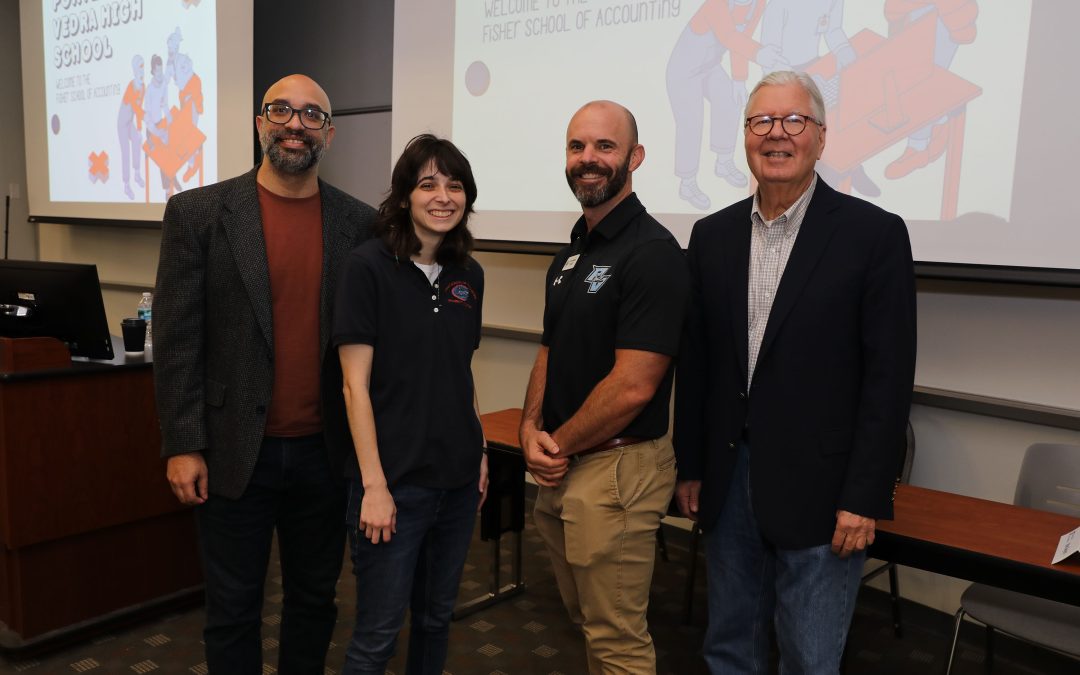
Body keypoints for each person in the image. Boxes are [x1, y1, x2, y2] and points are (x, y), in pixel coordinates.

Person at [673, 71, 916, 673]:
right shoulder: (711, 236)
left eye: (794, 121)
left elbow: (888, 381)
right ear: (746, 136)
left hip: (824, 493)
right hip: (729, 484)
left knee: (809, 658)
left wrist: (864, 497)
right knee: (729, 647)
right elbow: (699, 364)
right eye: (761, 122)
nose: (776, 135)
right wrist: (693, 467)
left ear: (821, 138)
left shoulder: (873, 235)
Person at [154, 74, 376, 674]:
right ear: (259, 124)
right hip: (230, 453)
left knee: (314, 602)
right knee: (232, 610)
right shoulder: (198, 214)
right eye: (281, 110)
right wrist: (184, 444)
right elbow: (177, 341)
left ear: (329, 133)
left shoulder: (360, 224)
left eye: (311, 115)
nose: (295, 124)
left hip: (323, 457)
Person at [521, 100, 689, 674]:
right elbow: (551, 349)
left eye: (605, 147)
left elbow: (634, 388)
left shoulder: (654, 254)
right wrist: (528, 429)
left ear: (635, 157)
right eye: (577, 147)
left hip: (617, 471)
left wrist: (555, 444)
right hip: (564, 463)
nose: (588, 159)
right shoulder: (572, 251)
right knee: (590, 623)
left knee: (617, 640)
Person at [333, 133, 488, 674]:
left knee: (435, 621)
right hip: (393, 484)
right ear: (404, 197)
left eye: (455, 185)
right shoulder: (367, 267)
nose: (443, 196)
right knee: (377, 636)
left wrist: (481, 450)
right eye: (428, 184)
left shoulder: (470, 273)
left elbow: (459, 372)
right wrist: (374, 487)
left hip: (458, 481)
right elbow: (354, 386)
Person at [116, 54, 145, 201]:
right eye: (140, 67)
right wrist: (143, 117)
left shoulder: (142, 86)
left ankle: (137, 173)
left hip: (131, 122)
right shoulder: (131, 86)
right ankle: (126, 184)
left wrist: (139, 128)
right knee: (125, 152)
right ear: (134, 69)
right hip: (122, 123)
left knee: (137, 140)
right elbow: (135, 106)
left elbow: (138, 108)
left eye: (143, 66)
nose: (142, 70)